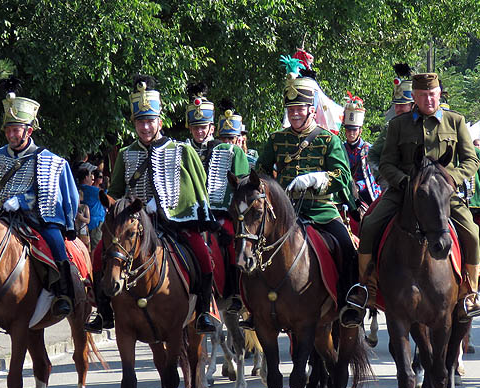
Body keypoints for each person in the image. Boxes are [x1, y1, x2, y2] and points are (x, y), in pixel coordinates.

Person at [85, 75, 217, 334]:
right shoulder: (126, 154)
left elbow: (196, 189)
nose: (145, 128)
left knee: (202, 255)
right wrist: (125, 207)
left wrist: (168, 205)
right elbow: (116, 192)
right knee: (100, 254)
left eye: (149, 121)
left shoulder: (182, 151)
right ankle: (103, 312)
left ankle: (203, 312)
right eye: (140, 122)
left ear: (159, 121)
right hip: (135, 226)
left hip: (172, 223)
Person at [352, 72, 480, 321]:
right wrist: (404, 182)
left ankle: (471, 291)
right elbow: (386, 162)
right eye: (423, 95)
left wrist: (450, 180)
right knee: (369, 224)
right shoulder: (398, 125)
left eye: (433, 94)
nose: (429, 99)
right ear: (414, 97)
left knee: (472, 231)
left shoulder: (455, 121)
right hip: (403, 192)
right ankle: (365, 286)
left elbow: (471, 160)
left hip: (442, 192)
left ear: (439, 95)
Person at [249, 55, 358, 329]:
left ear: (312, 109)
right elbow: (260, 173)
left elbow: (342, 177)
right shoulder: (276, 140)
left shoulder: (328, 139)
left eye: (300, 108)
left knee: (346, 246)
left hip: (320, 210)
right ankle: (251, 306)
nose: (295, 113)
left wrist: (315, 179)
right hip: (284, 213)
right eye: (291, 109)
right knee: (249, 245)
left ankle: (349, 303)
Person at [0, 84, 78, 320]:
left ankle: (64, 294)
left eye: (17, 130)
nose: (12, 135)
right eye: (9, 130)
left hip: (38, 216)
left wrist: (22, 201)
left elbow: (55, 194)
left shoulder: (48, 160)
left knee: (56, 243)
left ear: (29, 131)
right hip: (3, 216)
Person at [205, 99, 250, 325]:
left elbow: (241, 186)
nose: (228, 143)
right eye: (224, 139)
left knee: (235, 245)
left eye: (231, 138)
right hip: (206, 213)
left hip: (230, 214)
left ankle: (237, 293)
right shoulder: (207, 152)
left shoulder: (239, 155)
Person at [368, 63, 415, 186]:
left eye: (402, 105)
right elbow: (373, 154)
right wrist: (383, 177)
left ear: (413, 106)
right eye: (396, 105)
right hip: (396, 184)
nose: (398, 109)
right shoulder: (390, 128)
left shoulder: (424, 127)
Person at [342, 93, 381, 207]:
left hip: (366, 193)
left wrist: (358, 186)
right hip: (344, 192)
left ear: (360, 130)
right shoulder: (341, 148)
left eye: (354, 130)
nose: (351, 133)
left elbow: (372, 177)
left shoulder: (368, 149)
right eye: (349, 130)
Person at [184, 82, 217, 160]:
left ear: (212, 128)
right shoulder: (183, 150)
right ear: (190, 129)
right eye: (195, 127)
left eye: (203, 127)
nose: (199, 131)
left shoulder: (220, 149)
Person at [76, 167, 106, 250]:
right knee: (95, 249)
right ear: (86, 177)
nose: (91, 179)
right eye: (90, 177)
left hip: (81, 225)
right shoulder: (94, 191)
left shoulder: (76, 189)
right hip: (95, 223)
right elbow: (107, 197)